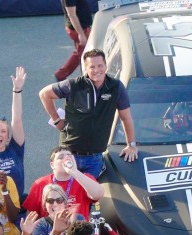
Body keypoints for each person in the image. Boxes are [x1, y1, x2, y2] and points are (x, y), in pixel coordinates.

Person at [40, 49, 140, 178]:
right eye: (92, 67)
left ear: (106, 65)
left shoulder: (116, 87)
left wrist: (131, 145)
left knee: (90, 195)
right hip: (69, 154)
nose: (97, 70)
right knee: (67, 193)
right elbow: (44, 94)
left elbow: (126, 118)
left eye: (100, 65)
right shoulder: (73, 85)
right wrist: (56, 120)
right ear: (85, 68)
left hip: (94, 158)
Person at [22, 147, 104, 222]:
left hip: (78, 232)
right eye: (61, 157)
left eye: (69, 156)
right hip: (50, 232)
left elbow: (97, 195)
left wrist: (74, 172)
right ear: (52, 165)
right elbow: (31, 215)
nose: (66, 158)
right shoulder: (40, 184)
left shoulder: (84, 178)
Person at [55, 0, 96, 80]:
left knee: (83, 53)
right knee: (83, 53)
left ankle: (87, 75)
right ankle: (60, 74)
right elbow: (71, 14)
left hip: (82, 27)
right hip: (80, 29)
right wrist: (81, 34)